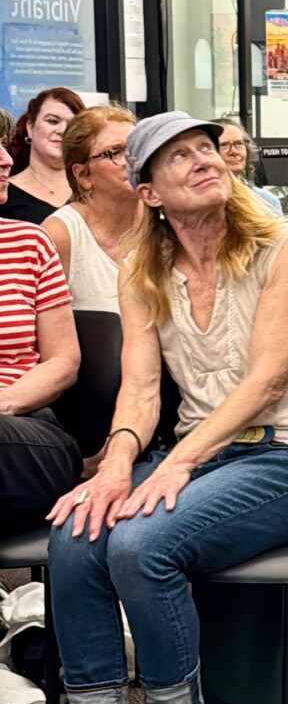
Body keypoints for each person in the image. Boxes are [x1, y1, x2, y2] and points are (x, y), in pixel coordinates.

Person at [17, 112, 288, 704]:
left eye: (205, 149)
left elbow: (267, 383)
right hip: (197, 456)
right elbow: (142, 389)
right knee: (74, 537)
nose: (202, 161)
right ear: (149, 190)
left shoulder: (281, 246)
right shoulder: (142, 269)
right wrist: (120, 460)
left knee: (139, 544)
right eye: (178, 156)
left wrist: (176, 463)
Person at [0, 125, 82, 526]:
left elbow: (64, 361)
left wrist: (5, 402)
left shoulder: (29, 243)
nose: (6, 160)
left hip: (28, 431)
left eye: (2, 146)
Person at [43, 105, 141, 312]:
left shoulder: (167, 219)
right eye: (116, 152)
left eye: (137, 147)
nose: (133, 160)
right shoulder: (60, 235)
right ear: (83, 176)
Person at [0, 89, 84, 225]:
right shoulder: (3, 191)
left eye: (72, 125)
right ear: (30, 127)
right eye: (52, 121)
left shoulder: (94, 190)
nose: (62, 131)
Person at [214, 117, 284, 218]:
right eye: (224, 145)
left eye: (239, 144)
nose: (234, 151)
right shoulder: (200, 201)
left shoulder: (266, 201)